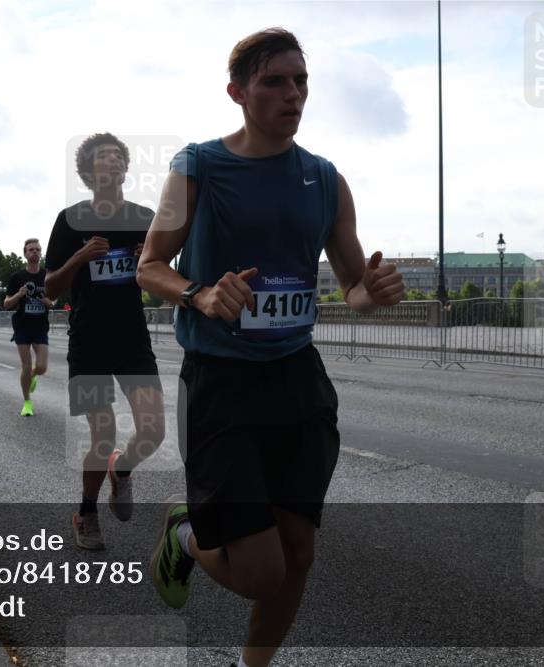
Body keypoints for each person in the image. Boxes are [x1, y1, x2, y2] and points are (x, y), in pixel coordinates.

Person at [135, 29, 406, 667]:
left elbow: (351, 292)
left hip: (297, 381)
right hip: (221, 383)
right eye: (275, 82)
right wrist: (199, 294)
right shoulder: (196, 166)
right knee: (260, 570)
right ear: (238, 93)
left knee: (298, 557)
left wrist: (376, 291)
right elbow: (149, 265)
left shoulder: (325, 179)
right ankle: (182, 534)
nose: (293, 94)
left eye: (301, 81)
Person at [44, 132, 166, 550]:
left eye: (118, 156)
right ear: (87, 170)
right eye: (103, 157)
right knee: (103, 433)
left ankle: (123, 471)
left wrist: (144, 263)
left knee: (154, 429)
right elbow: (49, 290)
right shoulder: (70, 219)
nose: (113, 161)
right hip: (89, 341)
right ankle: (87, 512)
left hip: (132, 337)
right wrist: (80, 257)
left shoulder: (144, 217)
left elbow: (163, 277)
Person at [4, 238, 56, 417]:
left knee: (42, 367)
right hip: (22, 326)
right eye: (31, 249)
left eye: (38, 249)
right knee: (25, 365)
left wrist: (44, 300)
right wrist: (19, 294)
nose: (35, 252)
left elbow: (53, 303)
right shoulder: (17, 277)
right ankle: (27, 402)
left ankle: (33, 375)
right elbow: (6, 304)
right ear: (25, 254)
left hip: (41, 326)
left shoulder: (48, 276)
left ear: (41, 253)